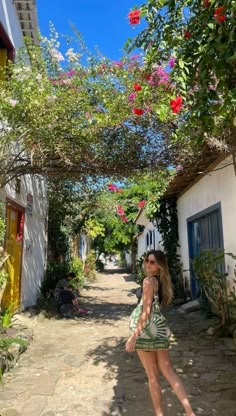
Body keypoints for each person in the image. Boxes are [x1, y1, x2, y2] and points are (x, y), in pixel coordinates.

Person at [125, 250, 195, 416]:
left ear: (159, 266)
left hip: (145, 332)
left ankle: (159, 414)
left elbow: (146, 311)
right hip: (158, 331)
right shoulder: (161, 282)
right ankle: (190, 412)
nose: (149, 264)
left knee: (153, 376)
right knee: (169, 372)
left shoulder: (148, 281)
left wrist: (133, 336)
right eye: (148, 261)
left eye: (153, 262)